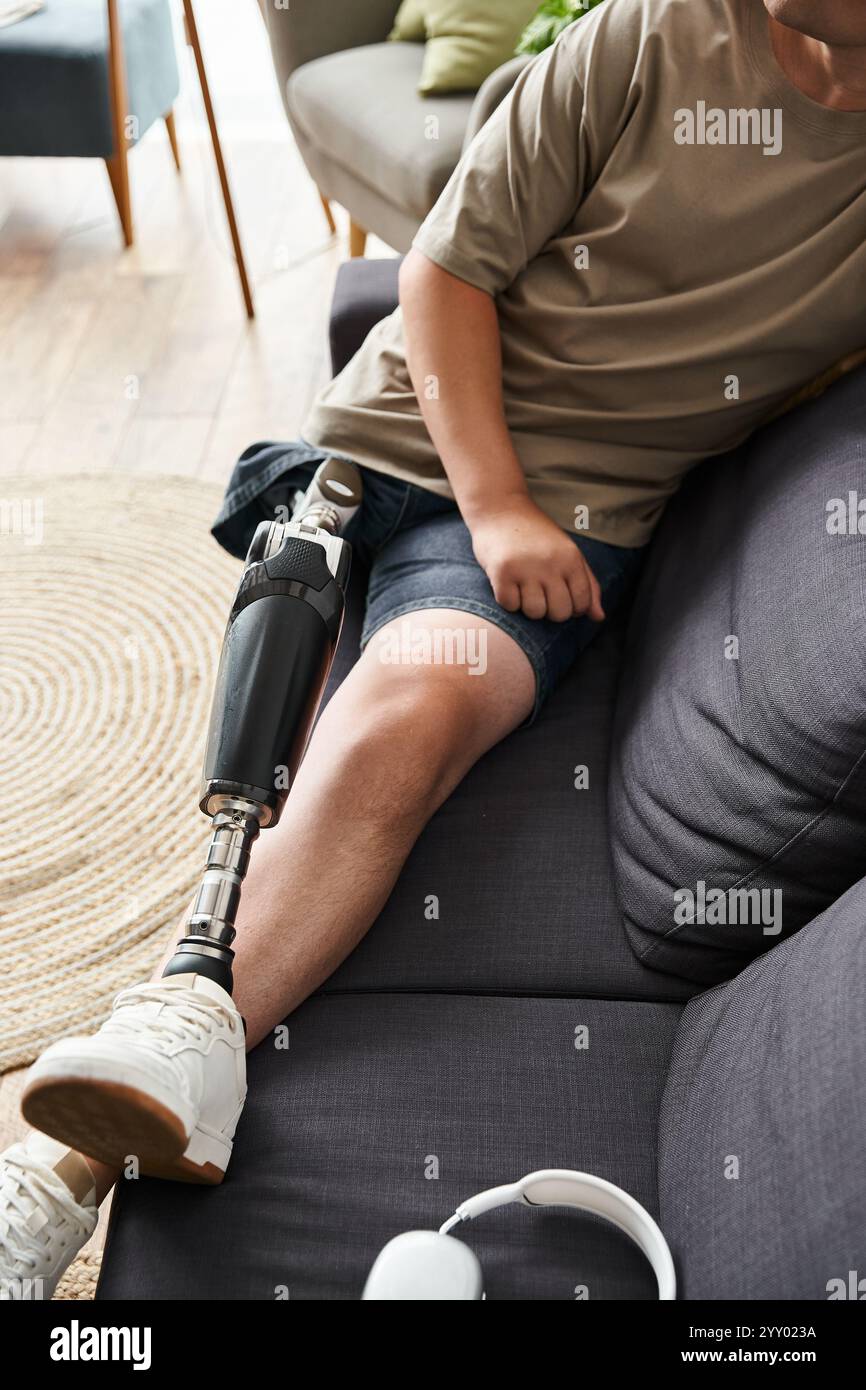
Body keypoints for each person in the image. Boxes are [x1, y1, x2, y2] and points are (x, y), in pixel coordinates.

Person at [2, 0, 864, 1297]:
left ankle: (63, 1167)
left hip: (558, 517)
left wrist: (519, 519)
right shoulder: (646, 35)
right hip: (404, 424)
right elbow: (445, 274)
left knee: (401, 713)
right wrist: (495, 499)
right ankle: (153, 1062)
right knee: (269, 760)